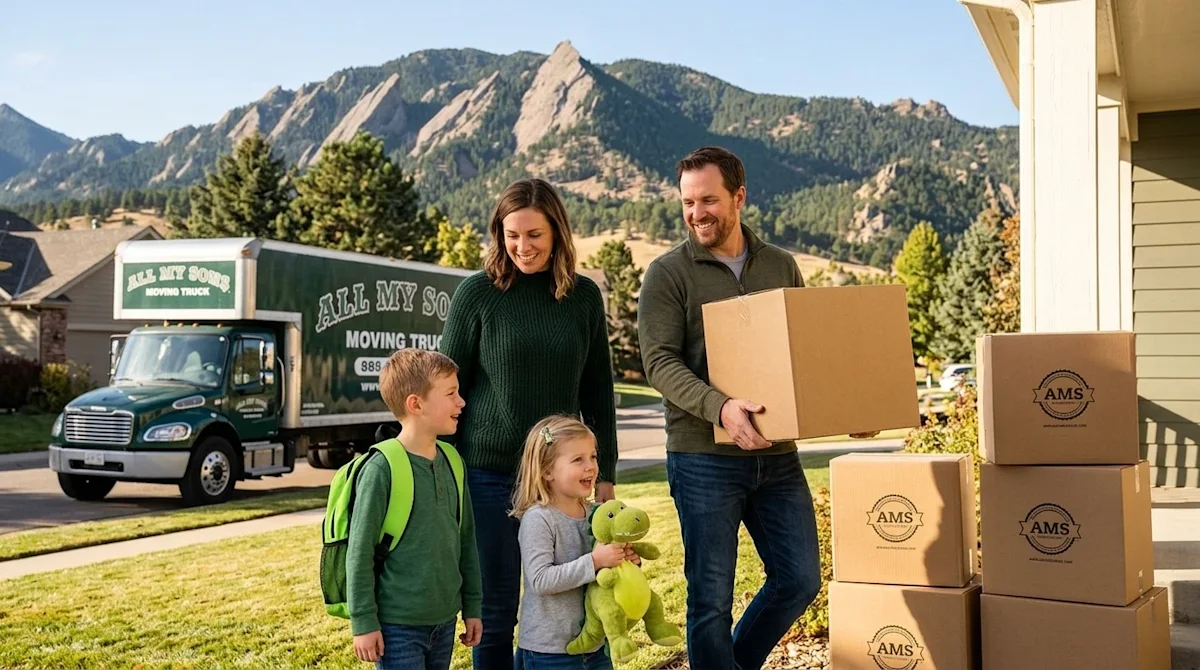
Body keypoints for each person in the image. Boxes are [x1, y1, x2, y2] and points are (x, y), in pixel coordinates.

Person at [638, 146, 874, 670]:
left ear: (739, 197)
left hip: (777, 455)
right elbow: (658, 362)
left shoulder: (781, 265)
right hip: (704, 459)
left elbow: (805, 354)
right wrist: (720, 409)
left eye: (708, 200)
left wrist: (847, 406)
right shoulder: (668, 273)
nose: (696, 212)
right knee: (709, 601)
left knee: (800, 578)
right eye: (687, 201)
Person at [439, 178, 619, 669]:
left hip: (559, 481)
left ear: (557, 233)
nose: (522, 246)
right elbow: (446, 388)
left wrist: (604, 473)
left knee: (568, 599)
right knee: (494, 612)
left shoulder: (582, 298)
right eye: (511, 234)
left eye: (534, 235)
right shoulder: (477, 294)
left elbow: (598, 391)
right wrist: (437, 465)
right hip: (489, 474)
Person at [347, 348, 483, 669]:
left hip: (445, 620)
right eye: (451, 393)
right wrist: (364, 622)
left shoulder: (453, 461)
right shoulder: (381, 468)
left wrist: (472, 606)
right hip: (398, 627)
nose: (461, 402)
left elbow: (466, 541)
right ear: (416, 404)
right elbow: (360, 551)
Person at [511, 415, 634, 670]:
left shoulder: (595, 515)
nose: (590, 466)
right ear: (547, 471)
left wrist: (624, 561)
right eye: (578, 460)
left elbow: (604, 574)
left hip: (596, 646)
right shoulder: (539, 519)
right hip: (550, 651)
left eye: (593, 456)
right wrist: (595, 562)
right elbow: (540, 580)